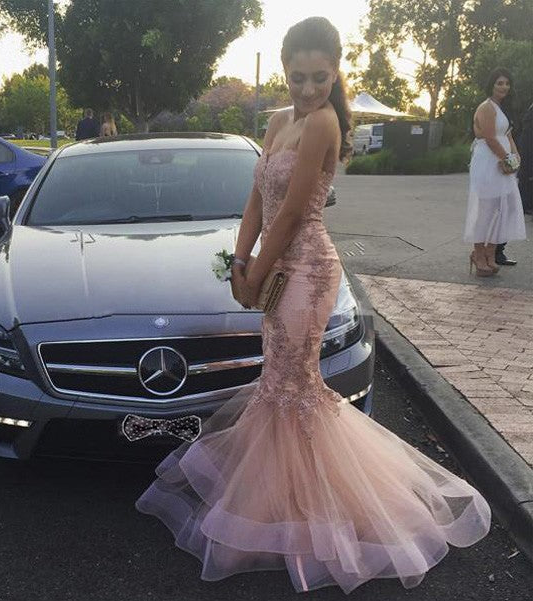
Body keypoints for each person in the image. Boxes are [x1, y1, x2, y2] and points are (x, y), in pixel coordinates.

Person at [136, 17, 491, 595]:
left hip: (308, 271)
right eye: (297, 76)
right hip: (275, 267)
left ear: (335, 71)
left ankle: (319, 515)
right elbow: (257, 199)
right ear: (284, 69)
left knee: (293, 387)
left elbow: (296, 213)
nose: (307, 89)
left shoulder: (325, 122)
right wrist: (239, 261)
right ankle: (289, 508)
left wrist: (255, 276)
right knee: (279, 386)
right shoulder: (278, 120)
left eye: (318, 77)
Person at [464, 67, 526, 276]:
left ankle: (490, 253)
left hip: (503, 163)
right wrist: (507, 158)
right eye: (500, 83)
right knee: (487, 210)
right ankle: (478, 254)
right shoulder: (486, 107)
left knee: (504, 209)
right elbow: (490, 138)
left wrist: (516, 157)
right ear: (491, 85)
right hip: (488, 163)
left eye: (507, 83)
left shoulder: (502, 108)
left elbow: (507, 136)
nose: (504, 87)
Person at [517, 103, 532, 215]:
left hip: (526, 145)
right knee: (527, 174)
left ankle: (525, 204)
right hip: (528, 146)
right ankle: (525, 204)